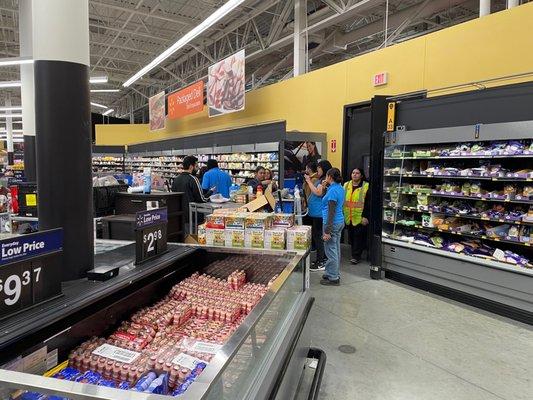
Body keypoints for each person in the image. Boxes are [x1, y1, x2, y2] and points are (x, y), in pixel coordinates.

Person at [320, 168, 345, 286]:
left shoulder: (333, 191)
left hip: (332, 223)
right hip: (339, 222)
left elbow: (331, 211)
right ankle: (332, 271)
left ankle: (333, 277)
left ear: (329, 176)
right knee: (335, 248)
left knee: (330, 250)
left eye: (326, 176)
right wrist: (325, 188)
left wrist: (327, 231)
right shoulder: (339, 188)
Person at [172, 155, 210, 231]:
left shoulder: (176, 179)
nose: (198, 168)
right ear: (191, 167)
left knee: (184, 237)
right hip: (193, 216)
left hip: (180, 216)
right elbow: (201, 199)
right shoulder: (193, 179)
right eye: (196, 166)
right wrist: (210, 193)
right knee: (194, 238)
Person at [343, 167, 370, 264]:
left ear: (361, 175)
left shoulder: (366, 186)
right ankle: (355, 254)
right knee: (351, 236)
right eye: (353, 172)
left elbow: (368, 203)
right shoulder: (346, 185)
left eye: (357, 173)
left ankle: (356, 256)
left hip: (360, 217)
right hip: (348, 216)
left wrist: (365, 216)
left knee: (359, 237)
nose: (354, 174)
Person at [303, 162, 327, 270]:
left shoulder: (323, 181)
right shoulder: (320, 179)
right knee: (317, 236)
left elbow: (318, 193)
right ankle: (322, 258)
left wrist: (308, 181)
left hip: (319, 214)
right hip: (315, 212)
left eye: (319, 168)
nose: (317, 170)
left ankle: (321, 260)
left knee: (318, 238)